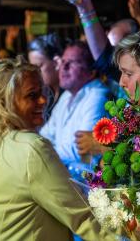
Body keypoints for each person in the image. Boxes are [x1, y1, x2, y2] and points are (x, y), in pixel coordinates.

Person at [0, 58, 110, 241]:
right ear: (3, 103)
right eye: (32, 95)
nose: (43, 100)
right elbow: (83, 218)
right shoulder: (30, 148)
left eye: (42, 92)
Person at [75, 27, 140, 157]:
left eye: (128, 74)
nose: (121, 82)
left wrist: (104, 148)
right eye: (121, 73)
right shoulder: (132, 113)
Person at [40, 41, 111, 182]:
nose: (63, 67)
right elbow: (45, 135)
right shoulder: (66, 95)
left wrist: (41, 154)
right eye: (63, 61)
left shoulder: (98, 94)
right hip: (60, 172)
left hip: (83, 183)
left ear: (91, 72)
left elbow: (81, 149)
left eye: (72, 62)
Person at [28, 33, 65, 120]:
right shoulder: (45, 92)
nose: (35, 73)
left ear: (56, 63)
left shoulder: (71, 94)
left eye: (39, 66)